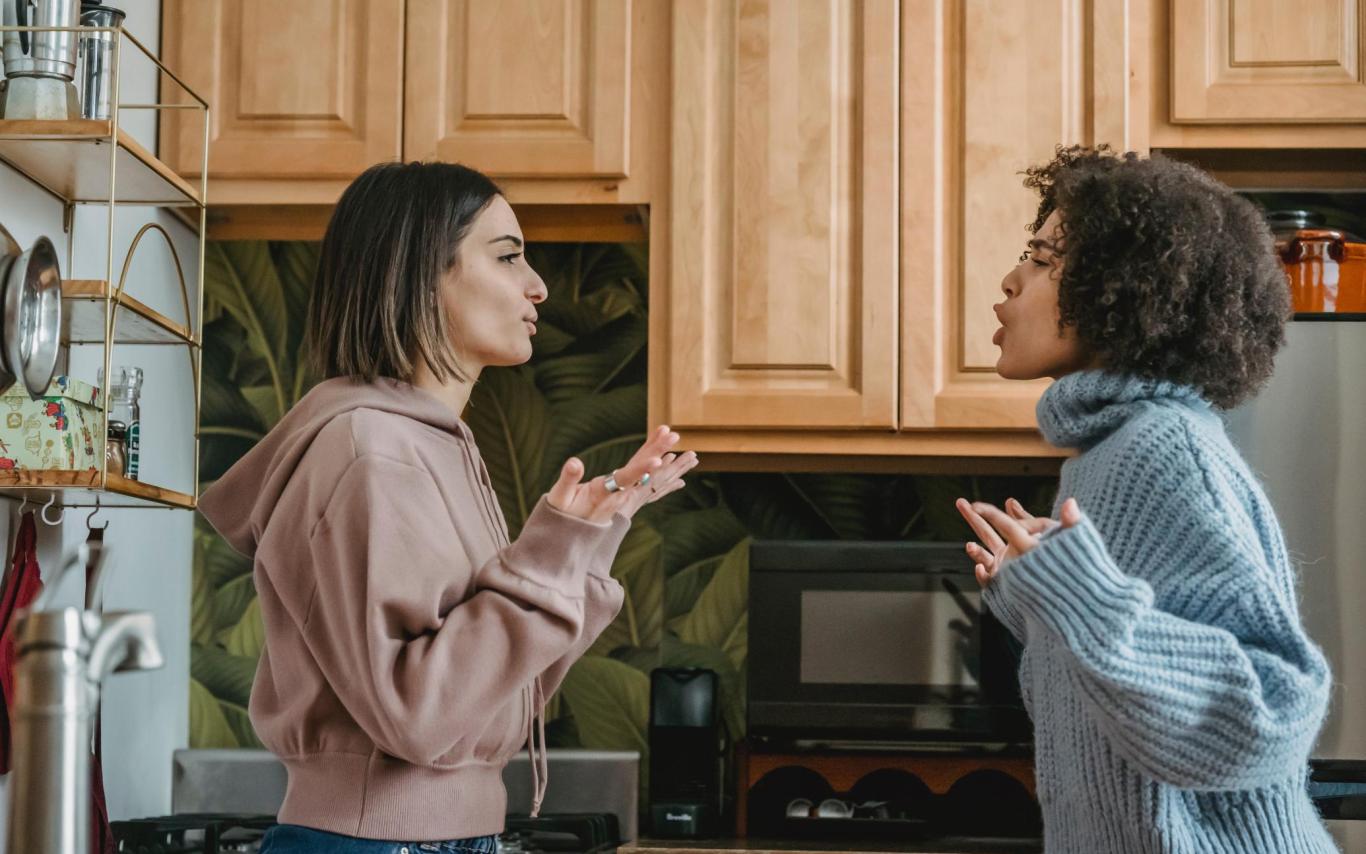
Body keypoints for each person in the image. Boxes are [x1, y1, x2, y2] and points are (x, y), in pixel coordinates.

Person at [199, 161, 698, 854]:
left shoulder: (433, 448)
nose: (538, 286)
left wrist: (587, 538)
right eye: (508, 257)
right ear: (421, 274)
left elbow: (496, 689)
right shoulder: (368, 450)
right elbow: (417, 716)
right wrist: (549, 555)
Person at [955, 146, 1337, 852]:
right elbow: (1117, 728)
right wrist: (1042, 599)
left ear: (1122, 290)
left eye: (1041, 260)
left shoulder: (1160, 448)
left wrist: (1083, 601)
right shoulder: (1106, 453)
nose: (1010, 281)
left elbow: (1273, 718)